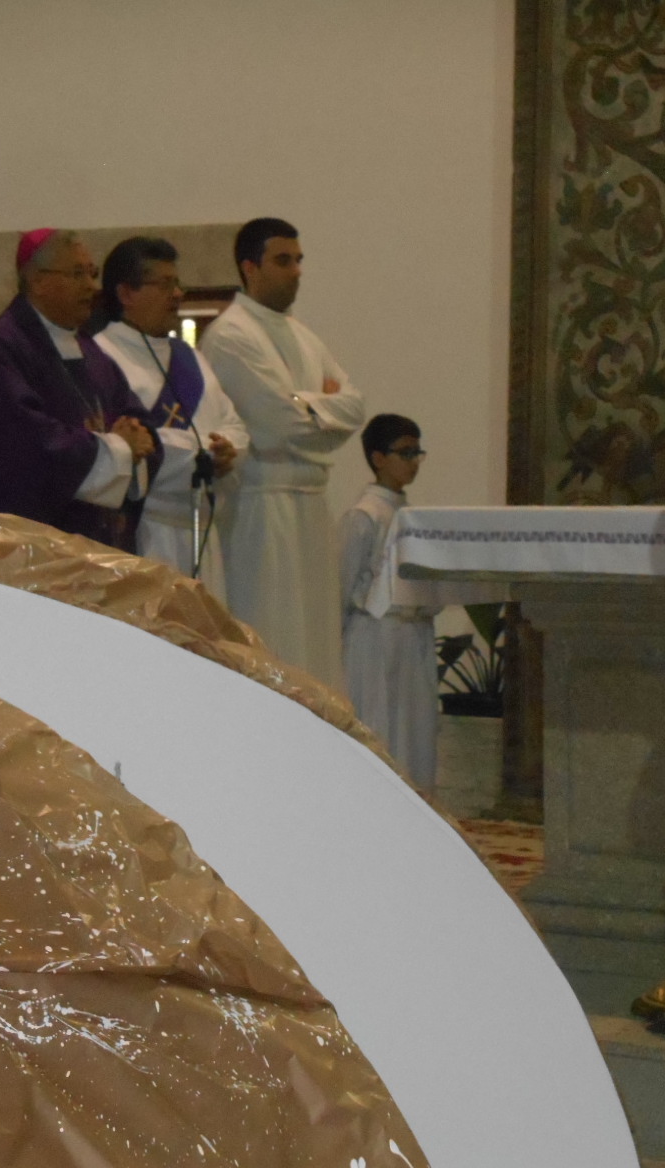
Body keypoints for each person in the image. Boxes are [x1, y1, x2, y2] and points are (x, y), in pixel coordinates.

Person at [200, 217, 364, 689]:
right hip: (261, 505)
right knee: (273, 637)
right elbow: (279, 426)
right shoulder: (231, 336)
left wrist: (307, 406)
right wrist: (321, 405)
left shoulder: (304, 336)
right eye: (283, 261)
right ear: (249, 267)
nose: (296, 272)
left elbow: (356, 405)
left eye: (298, 260)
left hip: (310, 504)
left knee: (316, 644)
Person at [0, 229, 161, 551]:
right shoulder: (0, 350)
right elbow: (28, 448)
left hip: (95, 547)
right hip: (27, 551)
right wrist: (119, 448)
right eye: (77, 274)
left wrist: (139, 442)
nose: (92, 286)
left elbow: (137, 421)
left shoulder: (93, 354)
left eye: (92, 273)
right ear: (38, 281)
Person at [92, 237, 249, 595]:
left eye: (177, 283)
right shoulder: (103, 357)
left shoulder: (190, 357)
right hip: (146, 530)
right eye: (164, 284)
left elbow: (233, 424)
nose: (177, 294)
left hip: (202, 532)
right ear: (126, 293)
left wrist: (228, 449)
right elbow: (132, 442)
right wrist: (202, 454)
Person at [339, 415, 438, 791]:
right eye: (405, 452)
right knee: (379, 725)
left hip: (412, 635)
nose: (413, 462)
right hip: (374, 635)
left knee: (414, 728)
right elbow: (343, 583)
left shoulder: (410, 515)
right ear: (378, 458)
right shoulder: (363, 515)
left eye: (417, 453)